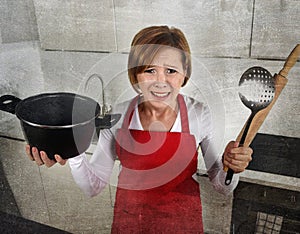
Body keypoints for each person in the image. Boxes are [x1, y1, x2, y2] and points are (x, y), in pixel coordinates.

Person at [25, 25, 252, 233]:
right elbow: (93, 187)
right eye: (149, 70)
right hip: (130, 224)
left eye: (171, 71)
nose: (160, 81)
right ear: (136, 74)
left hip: (183, 225)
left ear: (184, 74)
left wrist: (232, 167)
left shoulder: (199, 114)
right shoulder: (120, 114)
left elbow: (222, 186)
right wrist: (73, 153)